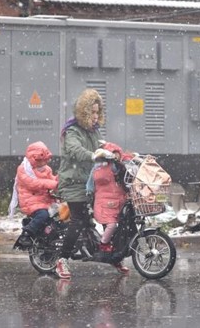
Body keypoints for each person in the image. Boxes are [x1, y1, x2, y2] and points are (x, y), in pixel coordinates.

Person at [55, 88, 128, 279]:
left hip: (91, 182)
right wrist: (93, 155)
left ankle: (111, 254)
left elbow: (102, 147)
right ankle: (61, 260)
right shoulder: (72, 131)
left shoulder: (94, 132)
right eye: (92, 112)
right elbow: (74, 150)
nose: (95, 116)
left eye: (97, 112)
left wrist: (118, 154)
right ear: (83, 112)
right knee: (79, 220)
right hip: (73, 183)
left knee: (108, 215)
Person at [10, 141, 58, 248]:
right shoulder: (23, 169)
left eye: (45, 160)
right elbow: (33, 184)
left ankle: (51, 237)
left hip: (45, 200)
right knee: (43, 215)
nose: (43, 163)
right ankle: (26, 234)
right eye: (40, 161)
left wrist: (61, 180)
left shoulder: (47, 169)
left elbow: (53, 180)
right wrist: (52, 184)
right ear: (33, 159)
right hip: (31, 202)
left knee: (60, 214)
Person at [86, 141, 128, 262]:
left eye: (118, 154)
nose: (117, 157)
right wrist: (89, 192)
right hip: (105, 203)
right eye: (114, 155)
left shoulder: (115, 167)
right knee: (112, 225)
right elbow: (91, 182)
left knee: (116, 226)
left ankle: (111, 251)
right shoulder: (105, 168)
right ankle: (103, 245)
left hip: (115, 202)